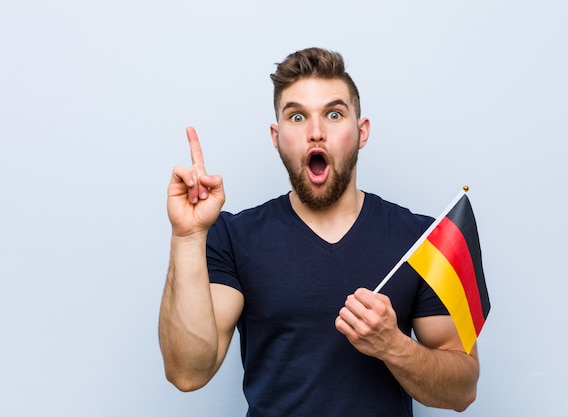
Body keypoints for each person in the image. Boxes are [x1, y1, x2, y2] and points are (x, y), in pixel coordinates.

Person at [159, 47, 480, 416]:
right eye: (297, 116)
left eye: (333, 113)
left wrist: (393, 345)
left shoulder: (422, 239)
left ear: (361, 132)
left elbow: (463, 391)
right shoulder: (233, 236)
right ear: (276, 137)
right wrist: (186, 237)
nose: (315, 133)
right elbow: (187, 373)